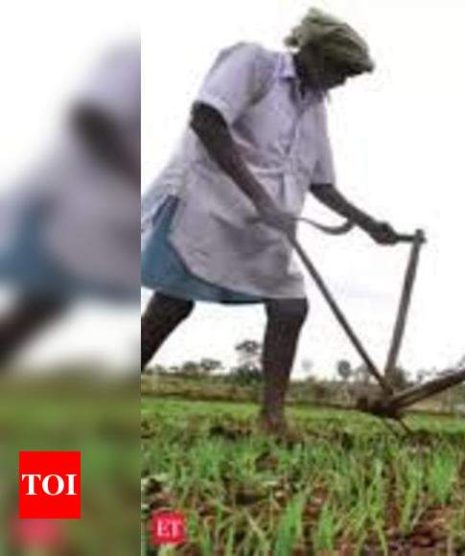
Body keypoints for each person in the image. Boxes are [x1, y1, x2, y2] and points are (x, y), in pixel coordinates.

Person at [140, 8, 401, 435]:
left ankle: (272, 417)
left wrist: (370, 225)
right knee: (171, 304)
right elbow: (205, 119)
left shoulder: (314, 105)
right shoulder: (254, 63)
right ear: (315, 55)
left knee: (290, 306)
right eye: (342, 70)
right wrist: (261, 197)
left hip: (265, 225)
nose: (344, 81)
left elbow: (321, 185)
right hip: (205, 206)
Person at [0, 41, 140, 367]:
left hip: (104, 210)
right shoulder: (133, 59)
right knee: (42, 301)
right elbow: (91, 115)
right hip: (65, 200)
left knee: (43, 304)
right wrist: (132, 171)